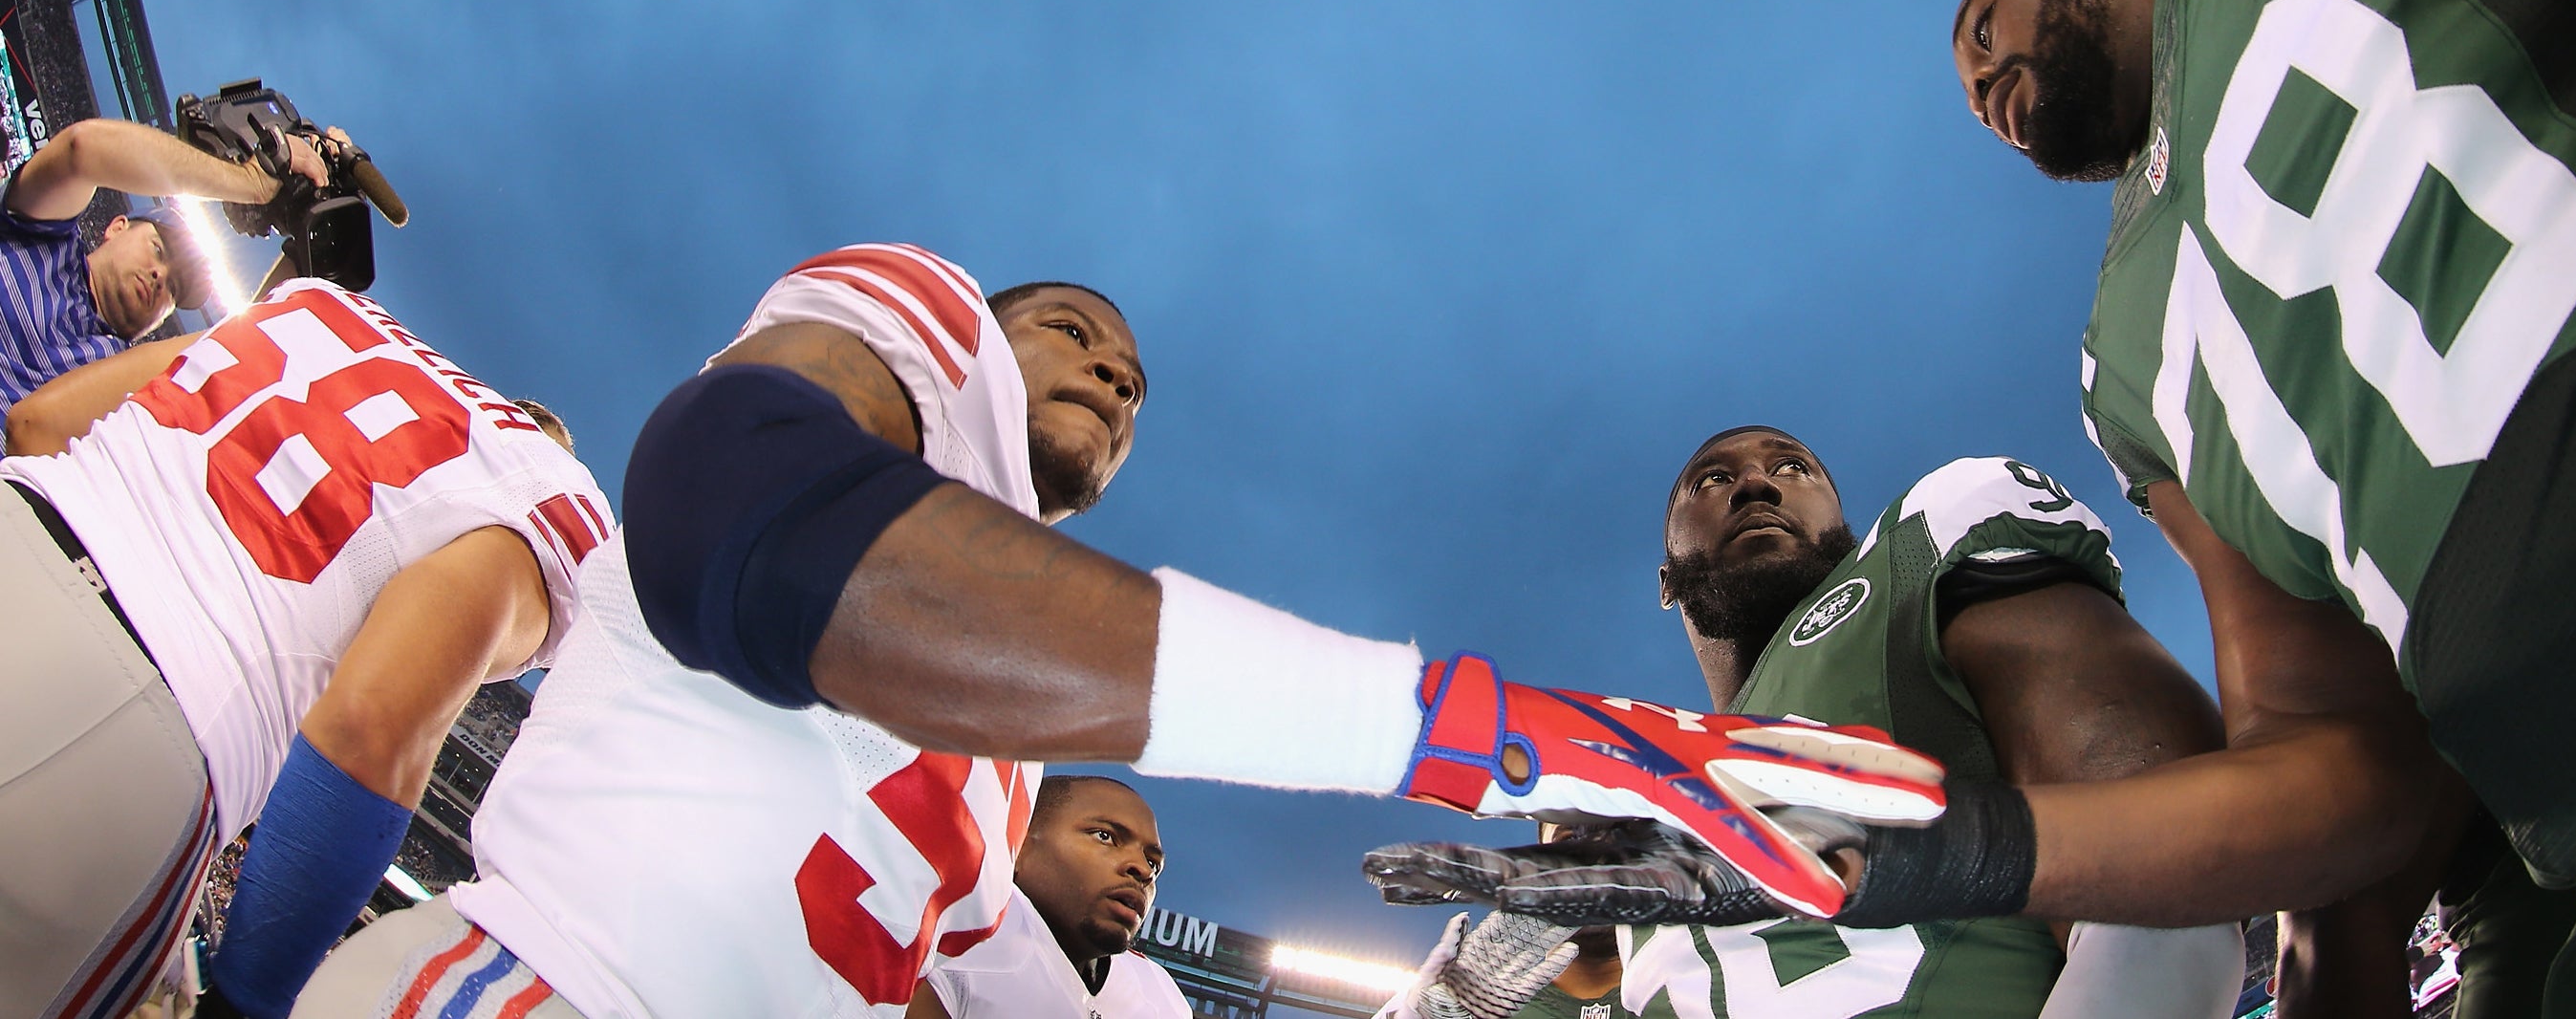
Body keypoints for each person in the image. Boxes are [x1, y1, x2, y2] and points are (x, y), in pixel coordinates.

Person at [1375, 0, 2576, 1015]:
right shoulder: (2126, 357)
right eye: (1968, 85)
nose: (1982, 80)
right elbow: (2336, 771)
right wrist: (1939, 851)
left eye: (1982, 23)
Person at [295, 244, 1945, 1019]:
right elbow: (733, 501)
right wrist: (1461, 729)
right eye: (1073, 336)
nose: (1107, 374)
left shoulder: (1005, 767)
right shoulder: (911, 353)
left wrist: (1473, 986)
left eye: (1135, 387)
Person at [1378, 430, 2246, 1019]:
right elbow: (1547, 987)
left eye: (1792, 467)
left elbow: (2170, 878)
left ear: (1844, 529)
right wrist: (1478, 979)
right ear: (1665, 578)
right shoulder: (1639, 803)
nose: (1757, 480)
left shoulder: (1927, 542)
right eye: (1712, 478)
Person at [0, 276, 611, 1019]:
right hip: (130, 722)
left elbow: (38, 420)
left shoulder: (326, 306)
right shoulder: (556, 489)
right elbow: (375, 720)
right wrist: (247, 997)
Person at [0, 114, 340, 411]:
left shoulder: (126, 380)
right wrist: (253, 182)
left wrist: (315, 229)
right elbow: (83, 149)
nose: (159, 276)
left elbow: (230, 354)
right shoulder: (45, 237)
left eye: (175, 289)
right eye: (159, 251)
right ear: (117, 227)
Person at [917, 775, 1189, 1019]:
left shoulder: (1161, 995)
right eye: (1105, 836)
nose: (1143, 870)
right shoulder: (956, 943)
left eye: (1153, 864)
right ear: (1019, 844)